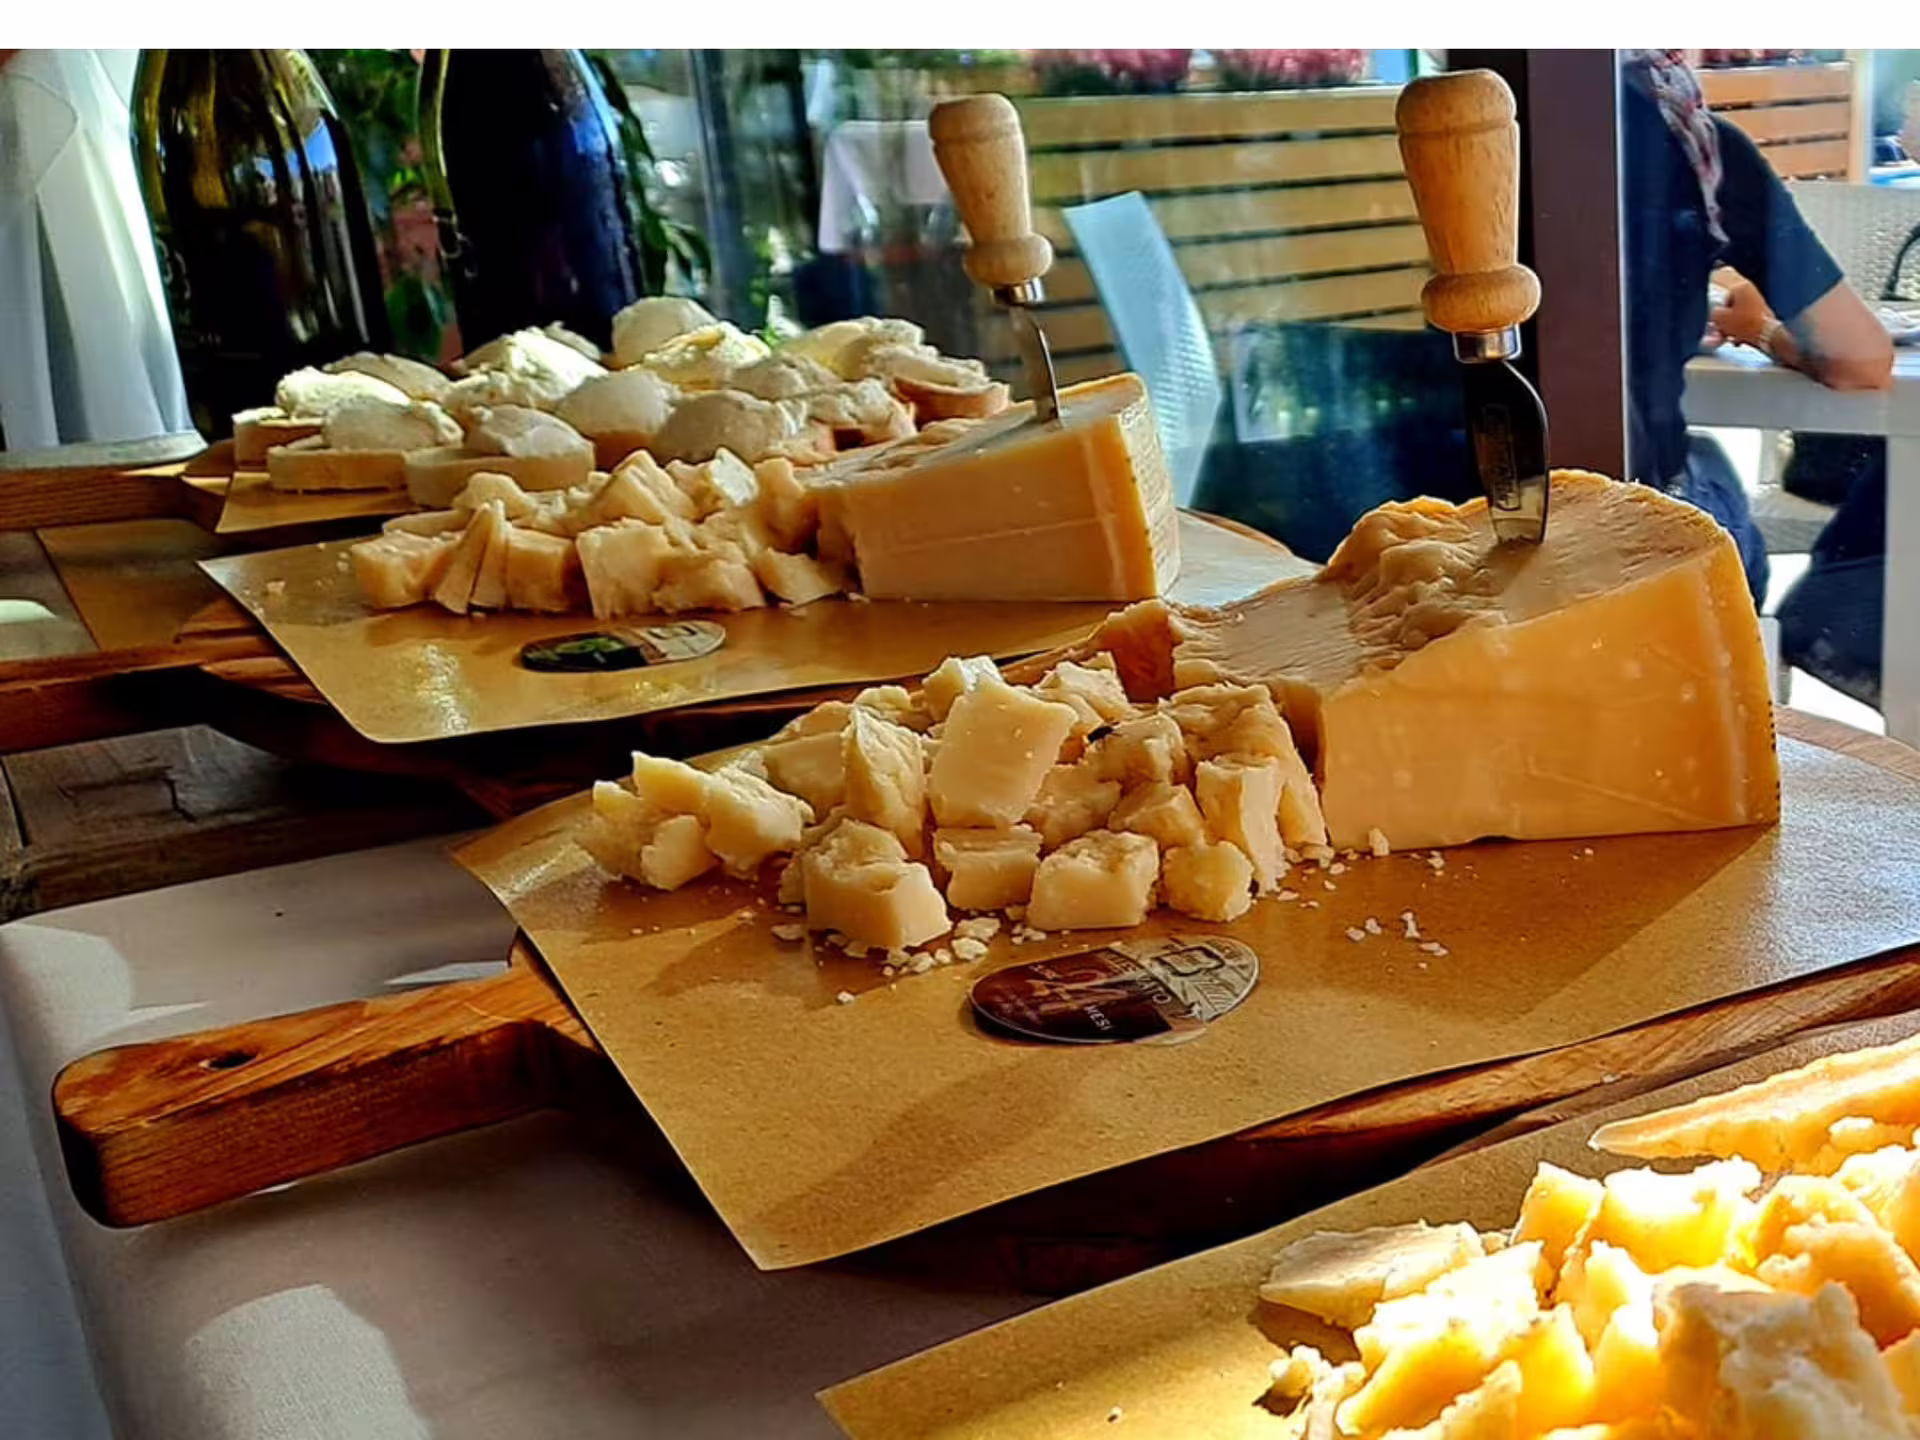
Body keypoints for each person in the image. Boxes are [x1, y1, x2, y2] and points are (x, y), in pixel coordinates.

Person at [1620, 50, 1892, 614]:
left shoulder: (1452, 127)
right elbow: (1860, 358)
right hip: (1630, 519)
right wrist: (1763, 332)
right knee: (1711, 474)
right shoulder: (1695, 145)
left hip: (1440, 494)